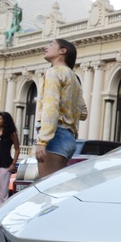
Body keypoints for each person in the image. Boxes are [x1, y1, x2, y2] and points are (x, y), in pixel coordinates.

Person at [35, 38, 87, 178]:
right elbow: (83, 112)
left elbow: (51, 107)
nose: (46, 47)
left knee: (47, 191)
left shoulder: (54, 72)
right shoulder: (74, 78)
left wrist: (42, 141)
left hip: (55, 136)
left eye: (51, 45)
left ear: (62, 51)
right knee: (56, 188)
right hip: (69, 138)